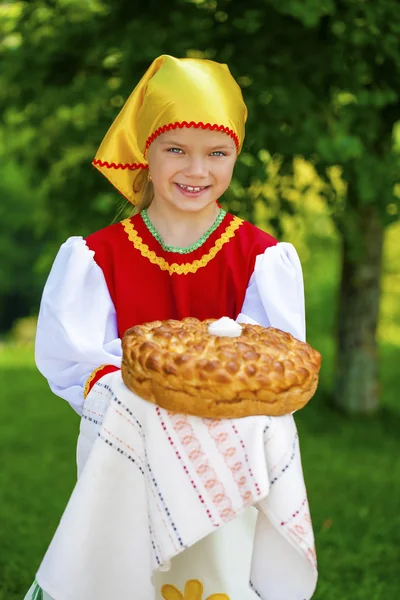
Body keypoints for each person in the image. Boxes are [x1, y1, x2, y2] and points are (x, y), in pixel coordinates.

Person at [25, 55, 316, 600]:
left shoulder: (260, 257)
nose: (196, 170)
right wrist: (143, 402)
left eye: (217, 153)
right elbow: (77, 364)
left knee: (215, 572)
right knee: (127, 572)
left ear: (235, 157)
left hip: (229, 462)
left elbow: (267, 366)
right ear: (146, 154)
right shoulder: (96, 256)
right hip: (126, 448)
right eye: (175, 149)